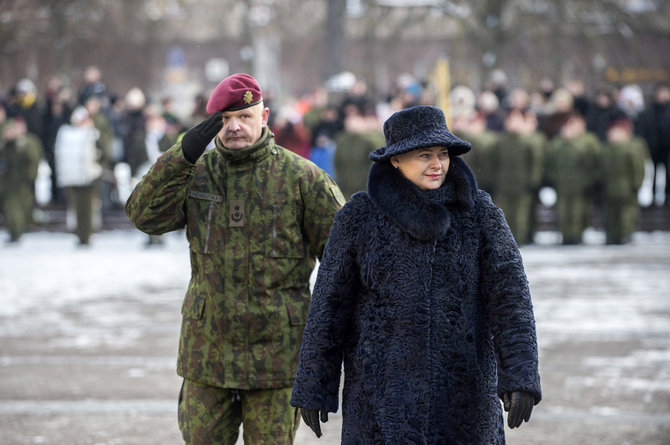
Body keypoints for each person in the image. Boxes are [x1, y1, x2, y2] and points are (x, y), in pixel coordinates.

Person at [291, 105, 542, 444]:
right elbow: (329, 305)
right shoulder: (360, 217)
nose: (437, 164)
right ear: (395, 160)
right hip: (379, 397)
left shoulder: (479, 214)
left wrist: (520, 375)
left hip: (465, 393)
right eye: (424, 155)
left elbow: (511, 298)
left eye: (443, 154)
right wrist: (314, 384)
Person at [125, 73, 345, 444]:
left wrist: (322, 361)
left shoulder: (302, 178)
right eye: (224, 120)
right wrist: (182, 154)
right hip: (208, 355)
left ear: (265, 116)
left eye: (244, 116)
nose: (235, 128)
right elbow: (144, 216)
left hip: (276, 358)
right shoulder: (196, 174)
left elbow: (343, 263)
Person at [54, 106, 103, 246]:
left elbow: (102, 151)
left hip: (89, 177)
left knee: (87, 209)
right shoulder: (67, 133)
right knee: (76, 208)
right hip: (73, 177)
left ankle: (86, 235)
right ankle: (80, 234)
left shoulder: (94, 134)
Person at [600, 118, 648, 244]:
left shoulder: (631, 148)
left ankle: (625, 235)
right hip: (610, 187)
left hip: (626, 187)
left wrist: (636, 184)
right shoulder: (606, 148)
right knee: (611, 214)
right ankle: (612, 235)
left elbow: (638, 168)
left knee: (627, 214)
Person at [0, 115, 43, 243]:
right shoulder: (5, 145)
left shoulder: (25, 143)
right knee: (10, 208)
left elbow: (33, 161)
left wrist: (30, 178)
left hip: (20, 182)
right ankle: (14, 232)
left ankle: (17, 232)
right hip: (6, 182)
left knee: (16, 208)